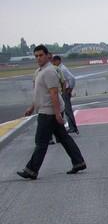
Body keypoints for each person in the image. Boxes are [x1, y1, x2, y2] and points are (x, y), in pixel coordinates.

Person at [16, 45, 87, 180]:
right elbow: (40, 93)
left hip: (48, 112)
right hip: (47, 110)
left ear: (47, 55)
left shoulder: (49, 71)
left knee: (41, 142)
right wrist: (32, 107)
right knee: (64, 138)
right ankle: (79, 162)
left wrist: (57, 114)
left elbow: (54, 93)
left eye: (41, 55)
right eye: (36, 56)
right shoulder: (40, 71)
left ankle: (31, 170)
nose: (38, 58)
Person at [52, 55, 78, 134]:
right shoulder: (60, 68)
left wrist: (70, 88)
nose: (53, 63)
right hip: (64, 91)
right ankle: (71, 127)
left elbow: (72, 78)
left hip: (65, 91)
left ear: (58, 61)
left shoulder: (62, 69)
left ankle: (73, 127)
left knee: (67, 110)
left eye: (54, 61)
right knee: (65, 109)